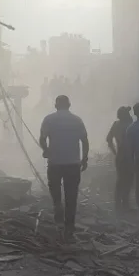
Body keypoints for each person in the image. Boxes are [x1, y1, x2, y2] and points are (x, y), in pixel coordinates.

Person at [40, 95, 89, 241]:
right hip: (73, 164)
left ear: (56, 106)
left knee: (56, 195)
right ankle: (69, 228)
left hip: (55, 163)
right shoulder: (77, 120)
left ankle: (59, 221)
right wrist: (84, 158)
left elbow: (42, 138)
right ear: (69, 105)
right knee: (71, 197)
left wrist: (46, 150)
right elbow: (85, 141)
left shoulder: (49, 119)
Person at [106, 106, 134, 212]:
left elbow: (108, 139)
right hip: (129, 156)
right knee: (128, 180)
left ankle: (118, 205)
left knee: (120, 180)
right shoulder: (129, 125)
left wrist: (114, 152)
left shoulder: (116, 124)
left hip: (120, 155)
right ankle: (125, 204)